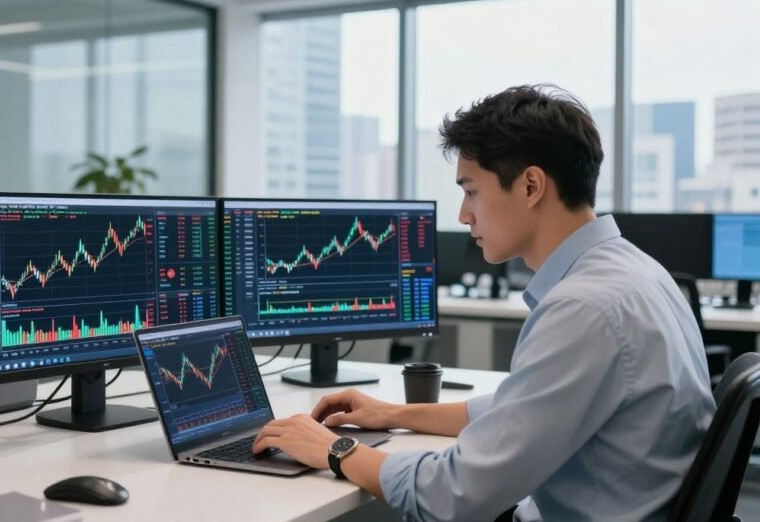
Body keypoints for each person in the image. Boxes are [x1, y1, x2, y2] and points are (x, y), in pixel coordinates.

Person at [252, 84, 715, 522]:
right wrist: (394, 414)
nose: (463, 214)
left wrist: (333, 450)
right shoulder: (635, 273)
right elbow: (527, 406)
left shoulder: (583, 309)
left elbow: (452, 496)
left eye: (471, 190)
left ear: (531, 186)